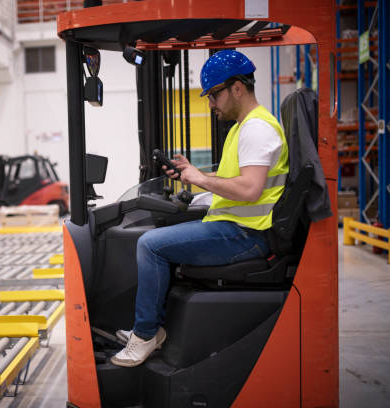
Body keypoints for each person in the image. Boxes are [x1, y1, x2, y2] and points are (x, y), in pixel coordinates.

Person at [111, 50, 289, 367]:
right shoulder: (241, 128)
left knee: (149, 245)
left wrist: (200, 180)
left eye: (214, 95)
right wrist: (195, 174)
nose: (210, 103)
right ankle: (150, 329)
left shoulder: (257, 129)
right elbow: (234, 178)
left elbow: (249, 189)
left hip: (246, 234)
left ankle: (146, 335)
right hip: (234, 227)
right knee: (159, 237)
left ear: (237, 87)